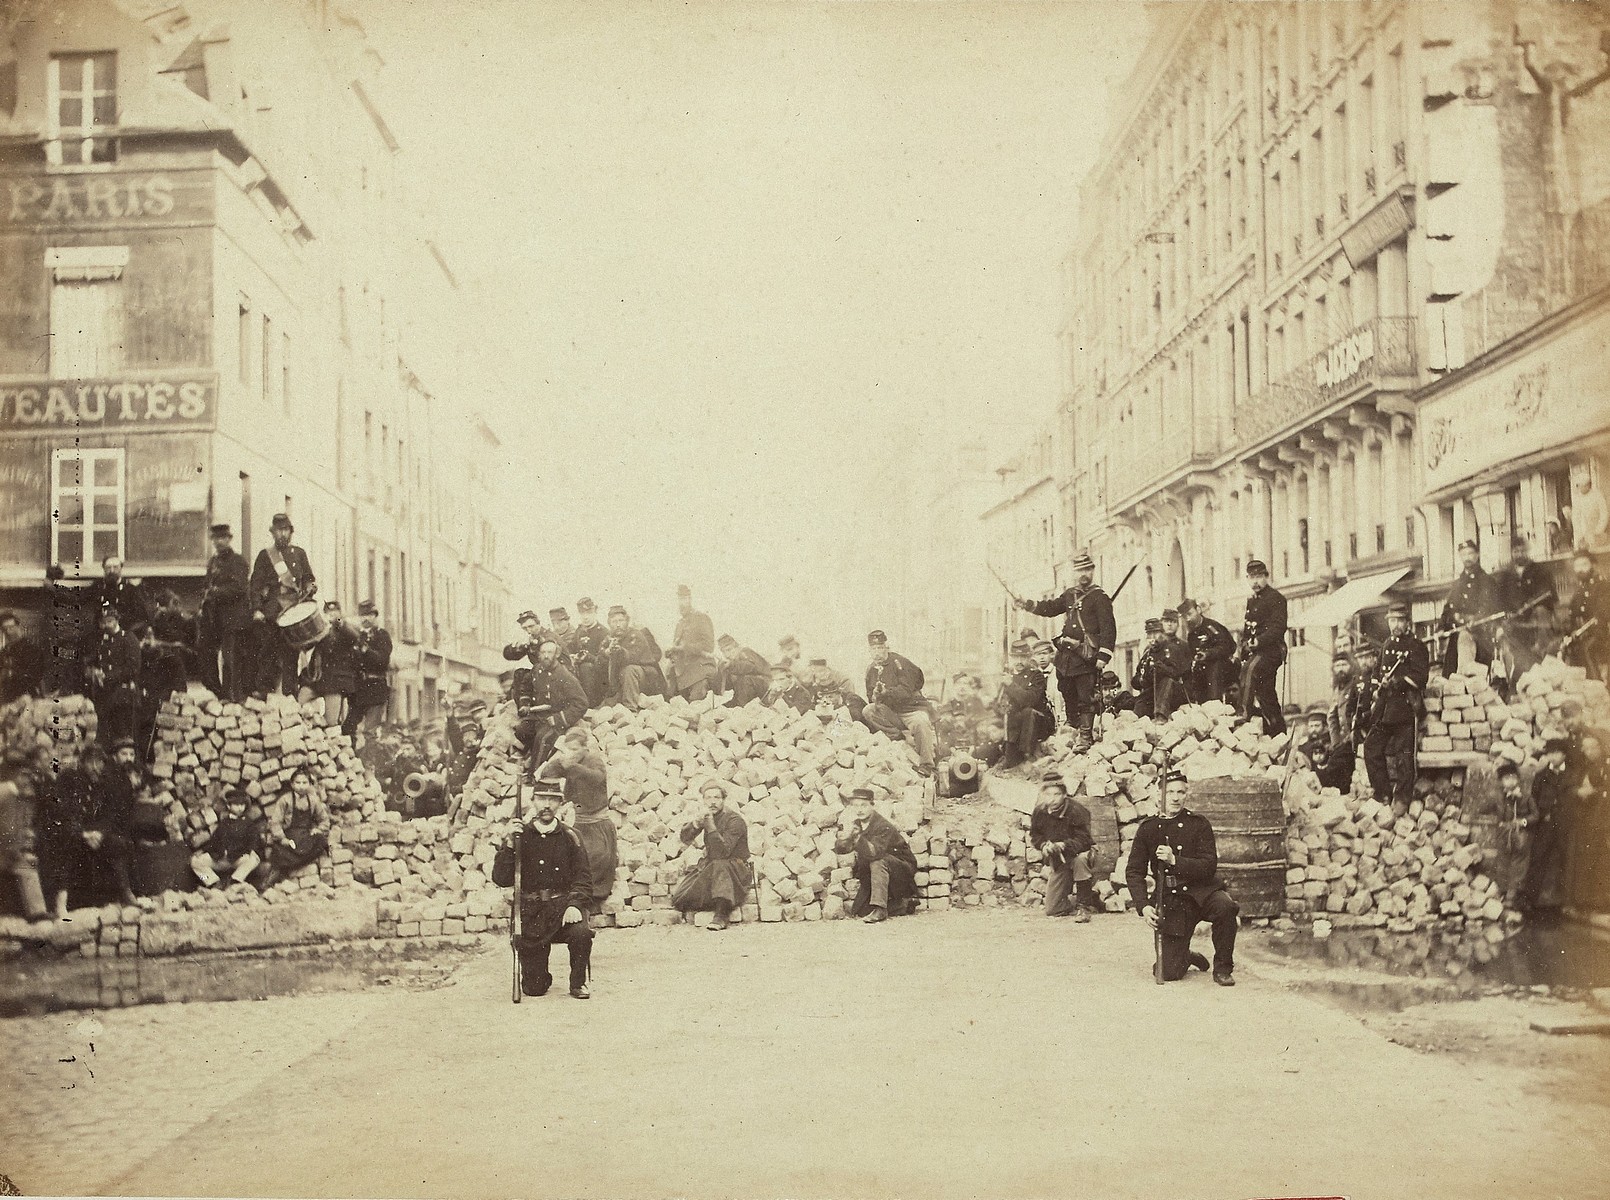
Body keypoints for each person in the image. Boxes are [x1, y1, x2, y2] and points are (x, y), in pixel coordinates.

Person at [1124, 769, 1238, 985]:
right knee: (1168, 972)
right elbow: (1134, 871)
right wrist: (1144, 906)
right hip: (1172, 899)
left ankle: (1223, 968)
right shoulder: (1148, 829)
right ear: (1159, 794)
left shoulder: (1199, 824)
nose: (1175, 797)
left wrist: (1175, 861)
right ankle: (1186, 956)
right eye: (1170, 792)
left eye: (1181, 792)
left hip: (1202, 892)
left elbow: (1209, 866)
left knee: (1226, 907)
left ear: (1186, 794)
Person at [491, 789, 594, 999]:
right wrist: (510, 844)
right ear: (533, 801)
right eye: (541, 799)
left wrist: (574, 904)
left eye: (552, 799)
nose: (546, 804)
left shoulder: (571, 836)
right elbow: (501, 879)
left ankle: (578, 983)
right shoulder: (521, 836)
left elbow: (583, 879)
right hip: (532, 915)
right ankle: (538, 976)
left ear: (561, 803)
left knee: (581, 933)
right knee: (535, 989)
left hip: (562, 910)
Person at [1016, 551, 1116, 753]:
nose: (1083, 574)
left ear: (1093, 571)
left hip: (1085, 656)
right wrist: (1028, 605)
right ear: (1074, 572)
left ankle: (1085, 736)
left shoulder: (1099, 597)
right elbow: (1051, 608)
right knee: (1066, 691)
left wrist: (1103, 656)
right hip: (1066, 657)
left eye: (1087, 569)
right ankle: (1073, 727)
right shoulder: (1070, 594)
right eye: (1080, 570)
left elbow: (1108, 628)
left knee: (1085, 696)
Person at [534, 729, 616, 914]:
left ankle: (589, 901)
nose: (570, 753)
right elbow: (546, 773)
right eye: (568, 749)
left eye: (574, 749)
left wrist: (573, 767)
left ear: (584, 749)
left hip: (597, 824)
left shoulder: (593, 760)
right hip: (578, 822)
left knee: (596, 858)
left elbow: (598, 778)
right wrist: (558, 762)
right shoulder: (568, 760)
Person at [1363, 603, 1429, 814]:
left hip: (1404, 708)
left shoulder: (1416, 646)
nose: (1395, 625)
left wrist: (1398, 682)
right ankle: (1382, 793)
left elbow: (1420, 676)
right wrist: (1376, 688)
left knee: (1403, 755)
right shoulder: (1386, 644)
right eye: (1392, 620)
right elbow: (1376, 673)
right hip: (1384, 709)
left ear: (1407, 622)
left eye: (1400, 620)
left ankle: (1402, 797)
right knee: (1371, 747)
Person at [671, 779, 752, 931]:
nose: (713, 802)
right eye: (708, 798)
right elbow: (685, 838)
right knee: (679, 899)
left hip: (736, 870)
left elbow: (722, 852)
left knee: (720, 864)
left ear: (723, 800)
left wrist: (709, 825)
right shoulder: (708, 816)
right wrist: (696, 823)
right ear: (703, 800)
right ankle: (718, 900)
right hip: (713, 867)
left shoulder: (735, 820)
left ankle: (722, 914)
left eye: (717, 798)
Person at [249, 513, 317, 696]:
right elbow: (255, 585)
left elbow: (309, 578)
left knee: (291, 655)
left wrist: (310, 587)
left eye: (286, 530)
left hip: (294, 609)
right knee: (268, 652)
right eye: (279, 530)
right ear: (273, 533)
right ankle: (264, 691)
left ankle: (289, 694)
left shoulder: (299, 553)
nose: (283, 534)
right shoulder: (265, 556)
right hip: (272, 610)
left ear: (290, 532)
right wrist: (257, 609)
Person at [834, 787, 918, 922]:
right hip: (877, 875)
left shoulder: (883, 825)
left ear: (872, 806)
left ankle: (880, 909)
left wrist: (856, 837)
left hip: (901, 872)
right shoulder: (856, 824)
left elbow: (874, 853)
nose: (859, 810)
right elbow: (843, 850)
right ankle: (904, 904)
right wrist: (843, 838)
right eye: (855, 806)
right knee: (860, 911)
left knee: (878, 861)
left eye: (864, 805)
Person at [862, 630, 937, 774]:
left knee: (921, 722)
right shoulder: (870, 670)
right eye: (873, 649)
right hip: (892, 712)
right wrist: (875, 696)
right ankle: (900, 738)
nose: (877, 652)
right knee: (869, 710)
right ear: (869, 651)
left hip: (911, 709)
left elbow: (906, 690)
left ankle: (927, 765)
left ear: (886, 647)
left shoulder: (900, 663)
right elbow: (869, 695)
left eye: (880, 648)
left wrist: (887, 692)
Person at [513, 640, 590, 774]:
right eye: (543, 652)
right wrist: (525, 704)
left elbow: (581, 703)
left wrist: (559, 719)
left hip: (554, 719)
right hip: (537, 716)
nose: (546, 656)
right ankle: (534, 754)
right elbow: (526, 687)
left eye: (550, 652)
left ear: (557, 654)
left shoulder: (565, 676)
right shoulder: (537, 670)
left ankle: (534, 774)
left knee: (542, 738)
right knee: (521, 731)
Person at [1029, 775, 1097, 920]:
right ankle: (1088, 898)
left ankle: (1083, 907)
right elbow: (1035, 835)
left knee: (1081, 860)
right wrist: (1043, 846)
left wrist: (1064, 845)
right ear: (1042, 794)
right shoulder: (1039, 812)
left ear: (1064, 795)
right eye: (1047, 794)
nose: (1052, 799)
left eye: (1056, 794)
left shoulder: (1076, 810)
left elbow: (1084, 840)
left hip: (1081, 852)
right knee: (1052, 909)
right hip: (1060, 858)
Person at [198, 523, 252, 702]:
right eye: (215, 539)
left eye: (222, 538)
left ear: (229, 539)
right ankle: (219, 693)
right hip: (215, 618)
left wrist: (215, 592)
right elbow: (207, 585)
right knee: (206, 657)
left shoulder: (238, 561)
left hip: (234, 619)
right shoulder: (213, 562)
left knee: (231, 660)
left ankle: (233, 698)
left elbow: (239, 588)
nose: (219, 542)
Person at [1518, 737, 1573, 915]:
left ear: (1564, 754)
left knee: (1567, 860)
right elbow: (1534, 798)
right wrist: (1542, 814)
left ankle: (1568, 902)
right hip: (1546, 824)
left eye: (1556, 753)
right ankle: (1529, 900)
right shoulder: (1542, 776)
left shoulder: (1572, 774)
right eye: (1549, 753)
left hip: (1565, 824)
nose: (1553, 757)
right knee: (1538, 858)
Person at [1235, 559, 1288, 736]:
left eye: (1259, 577)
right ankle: (1278, 731)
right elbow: (1248, 628)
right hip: (1257, 651)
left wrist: (1258, 641)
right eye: (1251, 577)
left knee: (1249, 670)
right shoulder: (1252, 601)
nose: (1255, 581)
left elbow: (1278, 627)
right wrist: (1243, 647)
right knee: (1265, 693)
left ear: (1266, 576)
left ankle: (1243, 712)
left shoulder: (1276, 598)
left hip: (1272, 649)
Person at [1497, 534, 1557, 681]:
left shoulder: (1539, 570)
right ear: (1511, 553)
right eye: (1516, 551)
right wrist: (1508, 613)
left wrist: (1531, 606)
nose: (1519, 554)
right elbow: (1500, 600)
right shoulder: (1506, 575)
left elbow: (1548, 595)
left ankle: (1538, 657)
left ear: (1527, 551)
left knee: (1541, 615)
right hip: (1515, 622)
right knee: (1509, 642)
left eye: (1522, 550)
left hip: (1534, 621)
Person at [0, 746, 49, 920]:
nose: (27, 780)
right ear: (13, 774)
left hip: (9, 853)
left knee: (27, 868)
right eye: (23, 775)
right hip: (4, 851)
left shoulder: (19, 795)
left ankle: (37, 913)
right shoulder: (5, 792)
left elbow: (18, 829)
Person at [262, 767, 331, 886]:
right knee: (279, 851)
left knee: (321, 841)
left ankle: (291, 865)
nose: (301, 786)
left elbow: (324, 820)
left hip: (305, 837)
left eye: (305, 783)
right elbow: (275, 822)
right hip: (290, 837)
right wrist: (282, 838)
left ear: (310, 784)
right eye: (298, 783)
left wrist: (318, 829)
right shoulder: (285, 800)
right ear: (292, 784)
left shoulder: (313, 800)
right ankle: (278, 873)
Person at [1438, 539, 1498, 675]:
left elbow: (1489, 606)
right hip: (1457, 636)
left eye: (1470, 553)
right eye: (1463, 554)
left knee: (1476, 681)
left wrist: (1475, 619)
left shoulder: (1487, 581)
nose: (1467, 558)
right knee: (1452, 681)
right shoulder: (1457, 584)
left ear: (1477, 555)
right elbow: (1448, 609)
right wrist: (1441, 628)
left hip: (1480, 637)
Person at [87, 605, 142, 747]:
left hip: (123, 697)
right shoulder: (102, 640)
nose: (106, 625)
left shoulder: (128, 638)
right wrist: (93, 671)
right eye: (103, 622)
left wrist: (107, 676)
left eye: (110, 621)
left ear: (117, 620)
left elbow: (132, 668)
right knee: (105, 738)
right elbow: (94, 660)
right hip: (105, 696)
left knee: (123, 738)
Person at [302, 600, 361, 732]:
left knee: (331, 722)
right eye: (328, 613)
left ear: (340, 613)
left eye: (335, 612)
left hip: (335, 683)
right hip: (316, 679)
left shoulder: (346, 629)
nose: (331, 615)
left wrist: (340, 623)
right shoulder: (321, 628)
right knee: (299, 703)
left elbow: (354, 637)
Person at [190, 787, 264, 889]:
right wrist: (202, 850)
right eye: (236, 805)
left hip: (238, 858)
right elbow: (214, 840)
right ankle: (212, 882)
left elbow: (254, 839)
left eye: (242, 805)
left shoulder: (248, 823)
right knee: (195, 861)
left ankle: (235, 880)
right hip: (220, 858)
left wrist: (252, 850)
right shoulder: (224, 822)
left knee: (254, 859)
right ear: (229, 806)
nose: (240, 808)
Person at [1000, 640, 1054, 769]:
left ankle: (1027, 754)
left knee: (1028, 712)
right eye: (1016, 657)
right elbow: (998, 704)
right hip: (1015, 726)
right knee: (1010, 764)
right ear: (1011, 658)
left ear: (1029, 657)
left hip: (1037, 724)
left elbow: (1029, 700)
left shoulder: (1036, 676)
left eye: (1023, 657)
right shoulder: (1007, 676)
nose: (1019, 661)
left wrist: (1010, 685)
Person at [602, 605, 666, 710]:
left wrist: (620, 651)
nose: (618, 625)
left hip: (647, 676)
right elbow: (600, 655)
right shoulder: (609, 638)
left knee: (629, 669)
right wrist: (606, 652)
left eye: (621, 620)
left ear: (627, 621)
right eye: (614, 621)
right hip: (627, 681)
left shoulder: (636, 635)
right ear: (609, 624)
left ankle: (630, 706)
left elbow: (633, 656)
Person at [349, 600, 393, 740]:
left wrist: (366, 651)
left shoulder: (382, 636)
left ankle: (370, 761)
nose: (365, 618)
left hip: (375, 688)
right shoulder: (355, 636)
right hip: (358, 689)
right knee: (348, 727)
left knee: (370, 732)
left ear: (375, 616)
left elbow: (383, 661)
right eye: (362, 615)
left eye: (369, 615)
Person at [1561, 550, 1608, 681]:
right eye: (1577, 566)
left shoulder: (1602, 585)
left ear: (1592, 565)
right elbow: (1572, 614)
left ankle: (1597, 686)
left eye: (1584, 564)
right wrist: (1568, 633)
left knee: (1587, 648)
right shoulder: (1579, 590)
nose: (1580, 569)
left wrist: (1581, 632)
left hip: (1600, 633)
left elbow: (1601, 615)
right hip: (1582, 633)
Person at [1179, 598, 1236, 705]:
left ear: (1198, 610)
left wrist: (1208, 654)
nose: (1188, 619)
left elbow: (1228, 646)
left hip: (1223, 668)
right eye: (1185, 616)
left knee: (1213, 665)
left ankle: (1215, 703)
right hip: (1203, 670)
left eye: (1190, 614)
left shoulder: (1212, 627)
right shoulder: (1191, 635)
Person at [666, 584, 718, 702]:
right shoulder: (680, 624)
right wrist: (673, 651)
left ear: (690, 599)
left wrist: (685, 648)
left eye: (684, 599)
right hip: (683, 670)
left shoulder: (701, 618)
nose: (681, 604)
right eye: (679, 600)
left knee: (695, 704)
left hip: (700, 668)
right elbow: (678, 648)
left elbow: (709, 646)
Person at [88, 554, 151, 642]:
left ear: (121, 568)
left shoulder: (131, 590)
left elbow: (140, 618)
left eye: (115, 567)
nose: (112, 571)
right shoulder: (97, 588)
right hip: (100, 635)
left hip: (124, 635)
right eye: (108, 567)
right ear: (103, 569)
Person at [1319, 654, 1357, 792]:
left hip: (1355, 738)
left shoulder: (1355, 685)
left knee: (1334, 768)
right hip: (1342, 742)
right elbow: (1332, 717)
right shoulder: (1337, 689)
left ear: (1351, 667)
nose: (1341, 669)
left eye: (1344, 665)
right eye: (1337, 666)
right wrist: (1336, 742)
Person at [570, 598, 612, 708]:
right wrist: (572, 656)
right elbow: (571, 648)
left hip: (599, 677)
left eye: (589, 612)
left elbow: (605, 662)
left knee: (586, 667)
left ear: (595, 612)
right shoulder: (579, 631)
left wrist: (588, 658)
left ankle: (589, 704)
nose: (585, 617)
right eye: (582, 613)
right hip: (582, 672)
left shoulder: (603, 632)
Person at [937, 673, 990, 757]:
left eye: (965, 683)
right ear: (954, 686)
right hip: (952, 747)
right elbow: (943, 729)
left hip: (974, 744)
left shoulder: (976, 703)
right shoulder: (948, 704)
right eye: (958, 683)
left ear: (970, 687)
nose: (962, 686)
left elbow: (982, 723)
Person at [0, 610, 46, 703]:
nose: (9, 632)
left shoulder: (32, 649)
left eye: (11, 627)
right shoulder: (4, 652)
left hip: (27, 699)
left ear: (18, 627)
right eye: (5, 629)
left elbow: (36, 676)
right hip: (7, 699)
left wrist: (10, 674)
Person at [804, 658, 867, 723]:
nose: (828, 701)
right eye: (813, 671)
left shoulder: (844, 683)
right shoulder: (810, 683)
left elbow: (855, 717)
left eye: (821, 670)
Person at [716, 634, 771, 707]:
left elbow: (749, 666)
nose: (727, 654)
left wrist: (731, 665)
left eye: (729, 650)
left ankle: (741, 709)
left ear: (736, 646)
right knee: (723, 708)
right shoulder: (731, 662)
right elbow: (728, 686)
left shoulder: (745, 652)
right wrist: (720, 672)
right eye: (723, 652)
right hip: (747, 694)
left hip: (767, 689)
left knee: (744, 680)